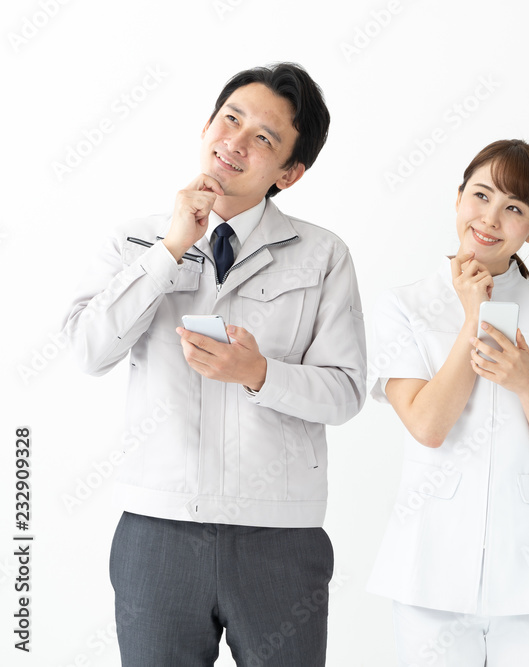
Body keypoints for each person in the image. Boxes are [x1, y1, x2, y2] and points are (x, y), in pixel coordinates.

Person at [63, 63, 366, 666]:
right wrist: (170, 249)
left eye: (265, 138)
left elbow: (346, 392)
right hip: (158, 530)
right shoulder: (137, 241)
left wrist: (259, 374)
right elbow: (87, 349)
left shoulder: (323, 254)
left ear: (291, 172)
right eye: (231, 119)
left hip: (281, 536)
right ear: (207, 124)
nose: (236, 141)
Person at [366, 139, 529, 666]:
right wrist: (471, 317)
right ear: (458, 198)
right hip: (430, 567)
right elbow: (428, 425)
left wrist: (527, 383)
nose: (491, 219)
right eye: (480, 196)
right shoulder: (403, 306)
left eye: (514, 209)